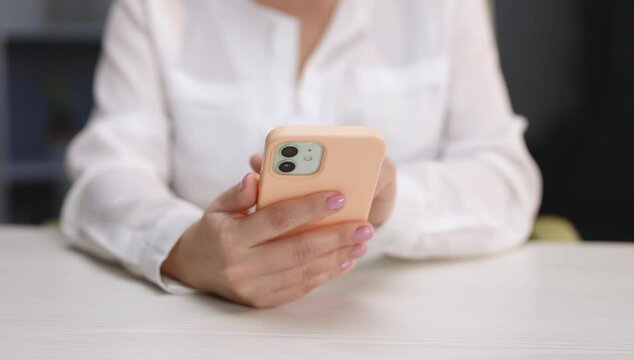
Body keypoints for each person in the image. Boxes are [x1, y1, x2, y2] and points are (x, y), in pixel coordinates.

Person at [61, 0, 541, 308]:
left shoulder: (444, 9)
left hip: (403, 323)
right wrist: (186, 248)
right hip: (207, 325)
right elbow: (108, 170)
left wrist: (391, 206)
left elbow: (504, 176)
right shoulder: (154, 8)